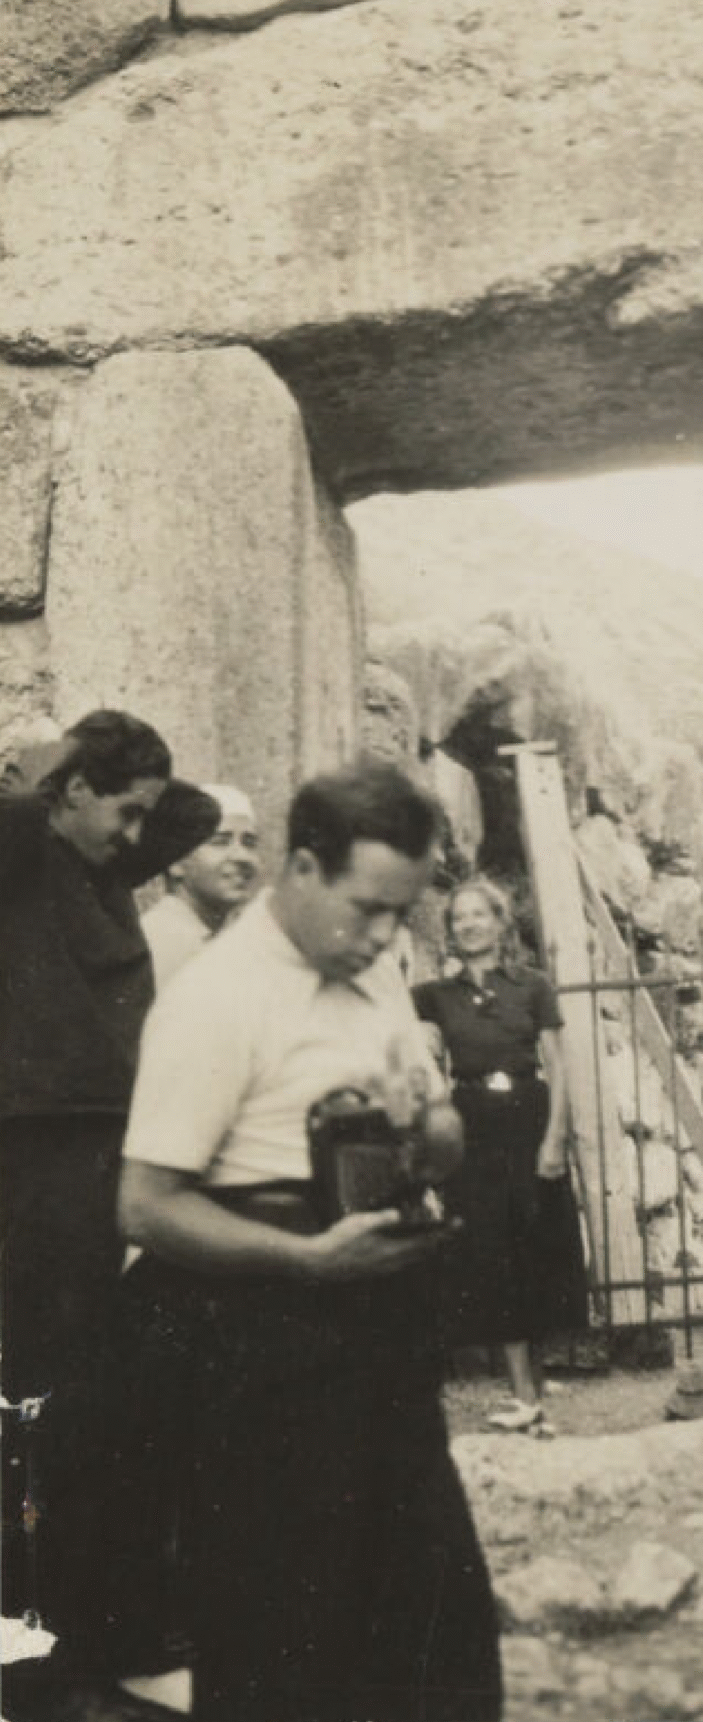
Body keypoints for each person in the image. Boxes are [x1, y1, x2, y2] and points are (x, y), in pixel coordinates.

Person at [114, 761, 502, 1722]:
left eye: (400, 914)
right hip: (262, 1352)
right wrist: (303, 1260)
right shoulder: (215, 999)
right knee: (284, 1637)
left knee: (431, 1627)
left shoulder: (376, 976)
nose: (382, 936)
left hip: (384, 1336)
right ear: (301, 869)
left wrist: (430, 1128)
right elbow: (146, 1208)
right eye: (367, 908)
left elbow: (442, 1138)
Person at [0, 711, 219, 1708]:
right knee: (49, 1393)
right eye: (120, 810)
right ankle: (46, 1648)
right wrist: (53, 771)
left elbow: (193, 814)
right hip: (37, 1149)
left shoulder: (104, 864)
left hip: (101, 1147)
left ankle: (91, 1633)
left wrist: (118, 789)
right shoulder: (23, 852)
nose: (140, 836)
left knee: (96, 1388)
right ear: (73, 791)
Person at [413, 881, 588, 1433]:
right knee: (493, 1251)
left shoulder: (533, 986)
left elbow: (557, 1066)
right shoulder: (435, 996)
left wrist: (555, 1137)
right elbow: (406, 1038)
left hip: (528, 1117)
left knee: (534, 1246)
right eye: (458, 918)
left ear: (499, 922)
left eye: (478, 915)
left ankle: (531, 1390)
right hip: (472, 1124)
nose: (468, 925)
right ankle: (523, 1395)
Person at [138, 785, 260, 988]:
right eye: (220, 842)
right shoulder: (162, 941)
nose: (242, 856)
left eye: (249, 843)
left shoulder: (221, 939)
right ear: (176, 861)